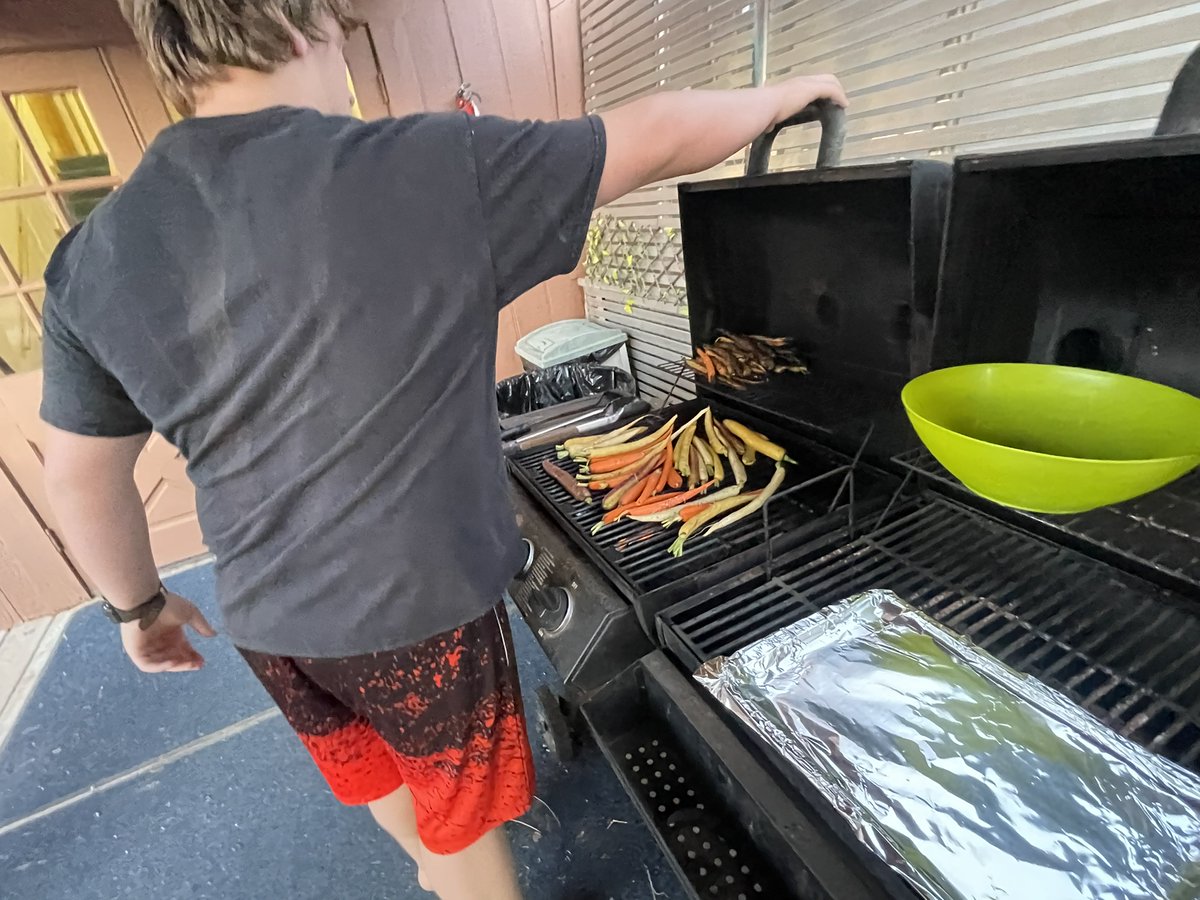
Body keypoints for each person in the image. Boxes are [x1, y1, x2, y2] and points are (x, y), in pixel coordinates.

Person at [39, 1, 847, 897]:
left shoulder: (92, 254)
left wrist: (137, 608)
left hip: (269, 620)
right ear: (296, 18)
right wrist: (786, 93)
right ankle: (456, 874)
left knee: (381, 771)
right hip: (416, 614)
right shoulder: (421, 165)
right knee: (466, 826)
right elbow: (653, 134)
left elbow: (79, 476)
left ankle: (430, 866)